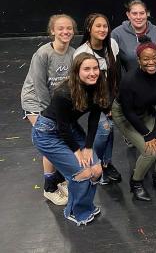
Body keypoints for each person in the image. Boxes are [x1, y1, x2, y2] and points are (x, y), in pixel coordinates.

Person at [32, 53, 107, 225]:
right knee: (82, 172)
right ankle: (75, 211)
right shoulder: (63, 92)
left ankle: (86, 205)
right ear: (76, 71)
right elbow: (62, 128)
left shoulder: (99, 85)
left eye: (95, 68)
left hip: (69, 129)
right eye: (86, 69)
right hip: (48, 133)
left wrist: (88, 147)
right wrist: (77, 151)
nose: (92, 73)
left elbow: (94, 119)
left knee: (96, 170)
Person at [21, 14, 77, 206]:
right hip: (37, 103)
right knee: (49, 140)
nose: (65, 32)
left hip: (57, 104)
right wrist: (49, 116)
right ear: (52, 31)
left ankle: (60, 179)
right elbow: (39, 87)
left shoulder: (73, 53)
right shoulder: (43, 54)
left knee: (63, 139)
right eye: (60, 28)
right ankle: (49, 188)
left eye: (69, 28)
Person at [112, 36, 156, 201]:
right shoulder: (129, 81)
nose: (151, 62)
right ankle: (136, 183)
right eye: (146, 59)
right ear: (138, 60)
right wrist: (147, 134)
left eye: (154, 58)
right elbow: (128, 112)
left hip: (146, 112)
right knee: (150, 152)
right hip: (125, 116)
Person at [74, 13, 122, 184]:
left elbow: (116, 74)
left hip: (111, 98)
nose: (103, 29)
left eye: (105, 26)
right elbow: (84, 84)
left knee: (110, 131)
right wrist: (104, 106)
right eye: (98, 26)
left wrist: (114, 100)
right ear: (89, 28)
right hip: (94, 100)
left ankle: (106, 164)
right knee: (104, 129)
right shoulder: (82, 52)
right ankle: (94, 163)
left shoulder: (112, 45)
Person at [111, 0, 156, 72]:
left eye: (142, 13)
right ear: (128, 15)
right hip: (128, 81)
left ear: (147, 14)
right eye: (134, 14)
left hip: (155, 78)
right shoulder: (117, 34)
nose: (138, 17)